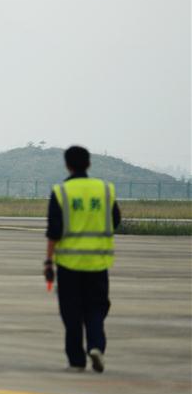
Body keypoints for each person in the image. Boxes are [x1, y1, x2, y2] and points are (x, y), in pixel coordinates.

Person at [44, 145, 120, 373]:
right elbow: (114, 220)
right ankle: (96, 346)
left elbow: (54, 231)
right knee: (96, 308)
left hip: (69, 264)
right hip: (98, 263)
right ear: (89, 164)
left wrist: (48, 262)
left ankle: (76, 361)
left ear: (67, 164)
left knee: (71, 312)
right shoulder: (105, 189)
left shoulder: (61, 192)